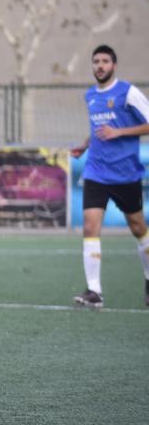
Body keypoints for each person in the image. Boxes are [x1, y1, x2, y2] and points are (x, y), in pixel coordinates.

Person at [69, 44, 149, 308]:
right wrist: (85, 145)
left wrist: (120, 132)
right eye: (96, 61)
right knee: (91, 227)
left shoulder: (128, 92)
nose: (100, 66)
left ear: (114, 65)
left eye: (105, 61)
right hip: (96, 172)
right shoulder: (90, 95)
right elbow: (98, 129)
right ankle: (95, 291)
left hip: (125, 175)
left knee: (139, 230)